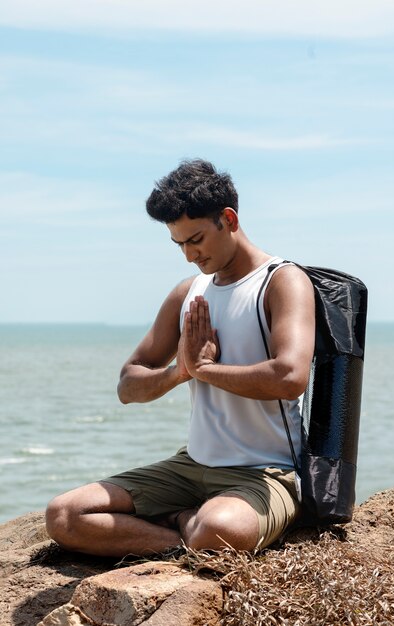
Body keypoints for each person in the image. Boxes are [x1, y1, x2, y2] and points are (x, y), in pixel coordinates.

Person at [45, 159, 315, 557]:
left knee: (221, 531)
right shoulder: (189, 291)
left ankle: (185, 523)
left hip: (267, 471)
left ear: (229, 219)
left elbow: (290, 377)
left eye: (197, 239)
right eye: (180, 244)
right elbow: (127, 386)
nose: (189, 255)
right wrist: (179, 373)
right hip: (191, 467)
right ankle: (185, 531)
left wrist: (207, 370)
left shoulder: (282, 280)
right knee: (65, 515)